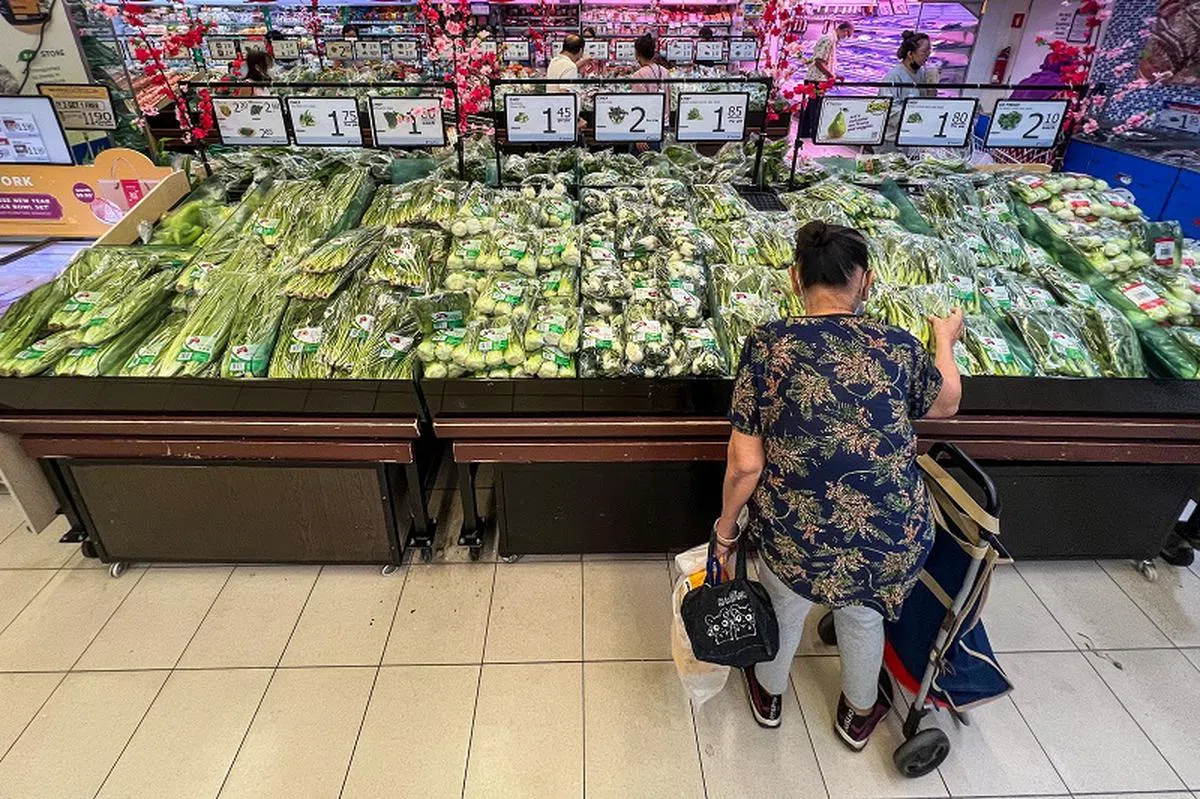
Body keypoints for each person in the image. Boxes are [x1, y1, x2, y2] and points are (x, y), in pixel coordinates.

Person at [715, 221, 963, 747]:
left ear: (794, 278)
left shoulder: (769, 346)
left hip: (796, 531)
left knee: (783, 604)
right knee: (862, 613)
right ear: (866, 282)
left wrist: (725, 531)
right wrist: (944, 340)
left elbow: (745, 465)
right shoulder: (896, 345)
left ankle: (769, 696)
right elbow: (946, 403)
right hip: (889, 535)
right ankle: (857, 715)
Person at [878, 31, 937, 150]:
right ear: (910, 54)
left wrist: (932, 89)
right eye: (924, 52)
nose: (927, 56)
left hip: (910, 136)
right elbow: (889, 110)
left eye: (929, 52)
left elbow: (924, 102)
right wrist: (915, 117)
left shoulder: (921, 72)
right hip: (892, 140)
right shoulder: (894, 76)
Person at [799, 21, 853, 139]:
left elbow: (824, 61)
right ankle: (813, 132)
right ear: (844, 30)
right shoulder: (829, 40)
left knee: (812, 106)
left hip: (817, 78)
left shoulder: (831, 40)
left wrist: (835, 75)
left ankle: (805, 132)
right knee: (815, 107)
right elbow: (819, 62)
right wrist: (830, 75)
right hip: (817, 79)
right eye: (847, 34)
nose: (846, 37)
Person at [630, 34, 670, 152]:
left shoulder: (638, 75)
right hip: (664, 125)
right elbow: (669, 99)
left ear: (637, 54)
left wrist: (639, 136)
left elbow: (639, 106)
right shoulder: (665, 72)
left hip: (646, 130)